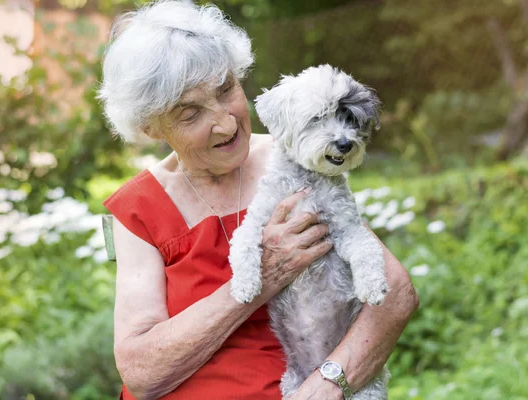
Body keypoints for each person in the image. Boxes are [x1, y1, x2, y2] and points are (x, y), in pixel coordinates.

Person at [98, 1, 419, 399]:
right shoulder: (139, 209)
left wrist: (329, 383)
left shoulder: (297, 163)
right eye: (190, 113)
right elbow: (142, 371)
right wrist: (259, 280)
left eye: (226, 89)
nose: (227, 121)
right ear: (151, 127)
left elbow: (394, 295)